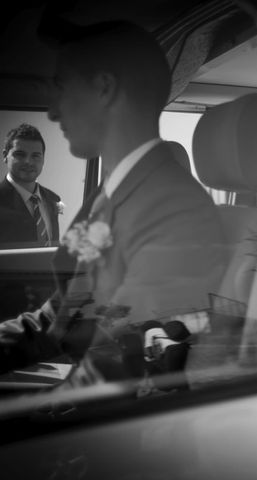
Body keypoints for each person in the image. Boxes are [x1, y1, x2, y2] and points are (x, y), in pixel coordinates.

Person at [0, 21, 227, 385]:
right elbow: (63, 313)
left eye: (60, 86)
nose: (54, 111)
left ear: (104, 88)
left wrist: (39, 411)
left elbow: (127, 366)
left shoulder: (178, 211)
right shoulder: (108, 196)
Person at [0, 123, 62, 247]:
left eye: (35, 156)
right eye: (20, 154)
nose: (28, 161)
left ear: (43, 159)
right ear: (5, 156)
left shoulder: (52, 198)